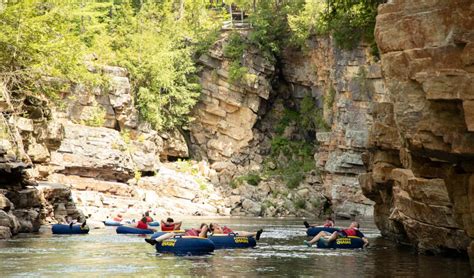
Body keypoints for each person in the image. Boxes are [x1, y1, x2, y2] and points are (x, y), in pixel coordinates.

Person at [304, 221, 369, 247]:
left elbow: (364, 239)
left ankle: (327, 241)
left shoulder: (357, 232)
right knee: (322, 232)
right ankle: (310, 243)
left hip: (343, 236)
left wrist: (365, 243)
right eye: (351, 223)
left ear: (355, 226)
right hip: (337, 235)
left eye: (353, 224)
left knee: (335, 233)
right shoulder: (346, 229)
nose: (351, 224)